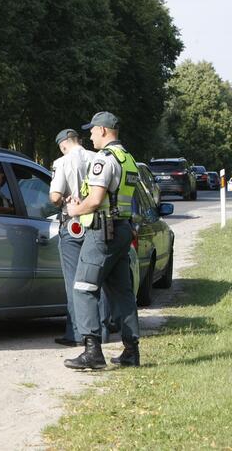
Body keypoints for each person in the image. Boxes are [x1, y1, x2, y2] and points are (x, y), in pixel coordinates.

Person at [63, 111, 141, 370]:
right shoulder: (127, 158)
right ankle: (131, 351)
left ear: (104, 131)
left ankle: (92, 351)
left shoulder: (104, 159)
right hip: (121, 231)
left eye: (93, 130)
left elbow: (96, 200)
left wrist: (74, 209)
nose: (91, 135)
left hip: (102, 233)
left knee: (83, 288)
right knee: (122, 292)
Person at [49, 128, 111, 347]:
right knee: (96, 278)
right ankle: (102, 331)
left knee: (74, 281)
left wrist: (62, 199)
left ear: (63, 144)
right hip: (96, 223)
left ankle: (77, 333)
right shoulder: (98, 158)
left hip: (73, 223)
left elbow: (55, 196)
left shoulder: (62, 162)